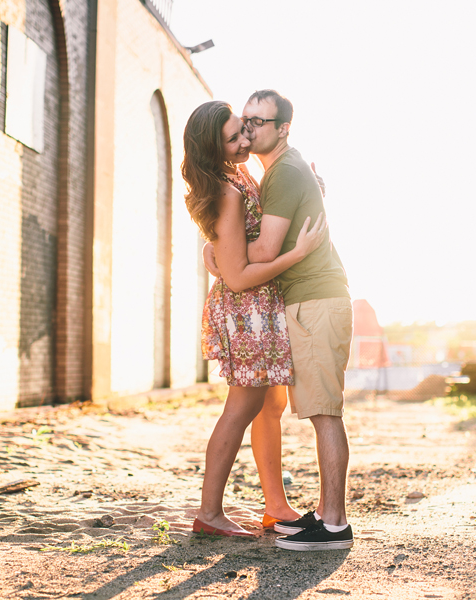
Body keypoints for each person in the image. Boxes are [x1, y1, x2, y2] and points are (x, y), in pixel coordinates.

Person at [181, 100, 327, 537]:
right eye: (234, 137)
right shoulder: (225, 191)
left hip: (261, 307)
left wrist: (311, 186)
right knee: (241, 406)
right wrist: (297, 253)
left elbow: (260, 220)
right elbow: (239, 275)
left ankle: (275, 505)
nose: (245, 140)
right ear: (213, 148)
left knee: (271, 404)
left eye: (243, 130)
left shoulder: (238, 174)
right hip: (246, 310)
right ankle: (209, 513)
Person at [237, 89, 354, 551]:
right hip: (310, 302)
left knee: (325, 413)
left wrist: (219, 254)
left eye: (259, 122)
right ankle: (326, 514)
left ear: (283, 128)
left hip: (315, 303)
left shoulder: (283, 172)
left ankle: (334, 525)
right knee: (318, 410)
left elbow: (265, 251)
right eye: (245, 120)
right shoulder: (285, 168)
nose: (249, 129)